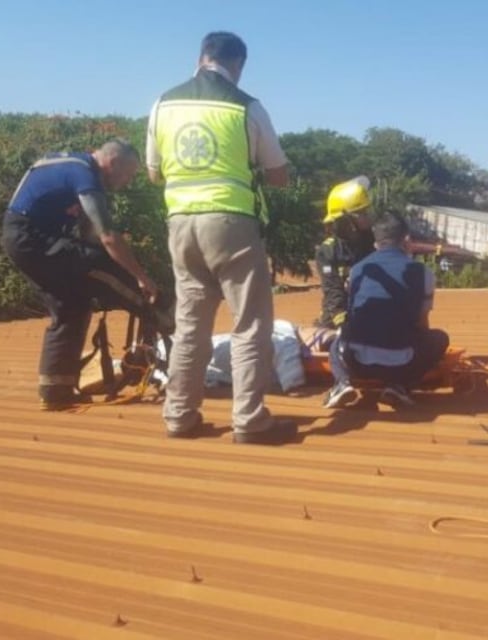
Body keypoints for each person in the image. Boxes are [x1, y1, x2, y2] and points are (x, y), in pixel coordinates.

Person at [146, 31, 296, 444]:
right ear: (238, 65)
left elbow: (153, 171)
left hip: (180, 224)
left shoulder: (162, 103)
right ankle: (248, 419)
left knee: (190, 325)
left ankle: (179, 415)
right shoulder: (247, 106)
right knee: (249, 323)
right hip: (231, 224)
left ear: (200, 58)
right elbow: (279, 175)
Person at [1, 139, 169, 410]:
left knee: (71, 305)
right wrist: (142, 278)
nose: (127, 181)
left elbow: (90, 232)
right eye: (128, 174)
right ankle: (160, 315)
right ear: (112, 163)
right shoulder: (84, 174)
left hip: (23, 238)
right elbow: (108, 238)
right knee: (103, 266)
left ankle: (56, 390)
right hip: (31, 238)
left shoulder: (74, 166)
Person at [323, 212, 450, 409]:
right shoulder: (424, 273)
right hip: (401, 364)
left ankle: (342, 382)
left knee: (338, 339)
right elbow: (422, 322)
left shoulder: (357, 270)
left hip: (357, 362)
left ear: (376, 243)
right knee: (440, 338)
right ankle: (399, 386)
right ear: (406, 240)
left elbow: (353, 314)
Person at [315, 176, 375, 331]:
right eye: (361, 212)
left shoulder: (372, 244)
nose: (367, 216)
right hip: (338, 321)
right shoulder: (328, 251)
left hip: (370, 315)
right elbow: (333, 292)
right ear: (346, 220)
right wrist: (343, 326)